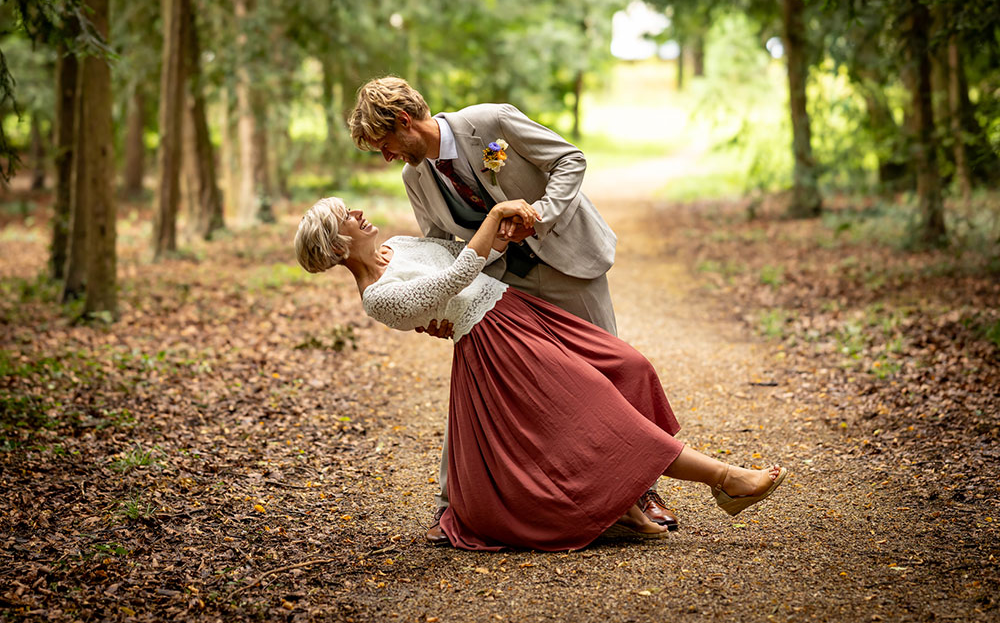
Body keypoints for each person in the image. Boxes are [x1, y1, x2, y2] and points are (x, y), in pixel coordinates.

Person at [294, 196, 787, 551]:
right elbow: (455, 277)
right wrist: (492, 217)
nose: (357, 213)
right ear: (336, 245)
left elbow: (476, 259)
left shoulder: (400, 244)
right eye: (345, 216)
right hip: (495, 344)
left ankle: (625, 497)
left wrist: (504, 233)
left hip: (518, 310)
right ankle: (726, 479)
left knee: (629, 367)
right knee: (597, 406)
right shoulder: (377, 297)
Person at [347, 76, 677, 542]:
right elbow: (440, 245)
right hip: (505, 286)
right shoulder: (414, 177)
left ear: (404, 121)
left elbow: (570, 159)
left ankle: (643, 492)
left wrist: (541, 213)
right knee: (535, 391)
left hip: (568, 262)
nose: (387, 157)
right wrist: (434, 309)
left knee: (609, 368)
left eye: (385, 144)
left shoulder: (491, 121)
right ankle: (460, 506)